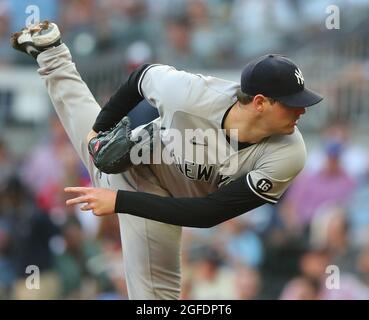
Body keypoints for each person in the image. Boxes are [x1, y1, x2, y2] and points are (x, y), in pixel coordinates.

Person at [11, 21, 323, 300]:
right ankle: (52, 54)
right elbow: (142, 76)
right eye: (291, 104)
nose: (301, 110)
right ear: (259, 103)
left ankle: (51, 51)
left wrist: (118, 202)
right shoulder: (191, 94)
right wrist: (99, 131)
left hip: (174, 201)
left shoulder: (288, 153)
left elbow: (208, 214)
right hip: (137, 167)